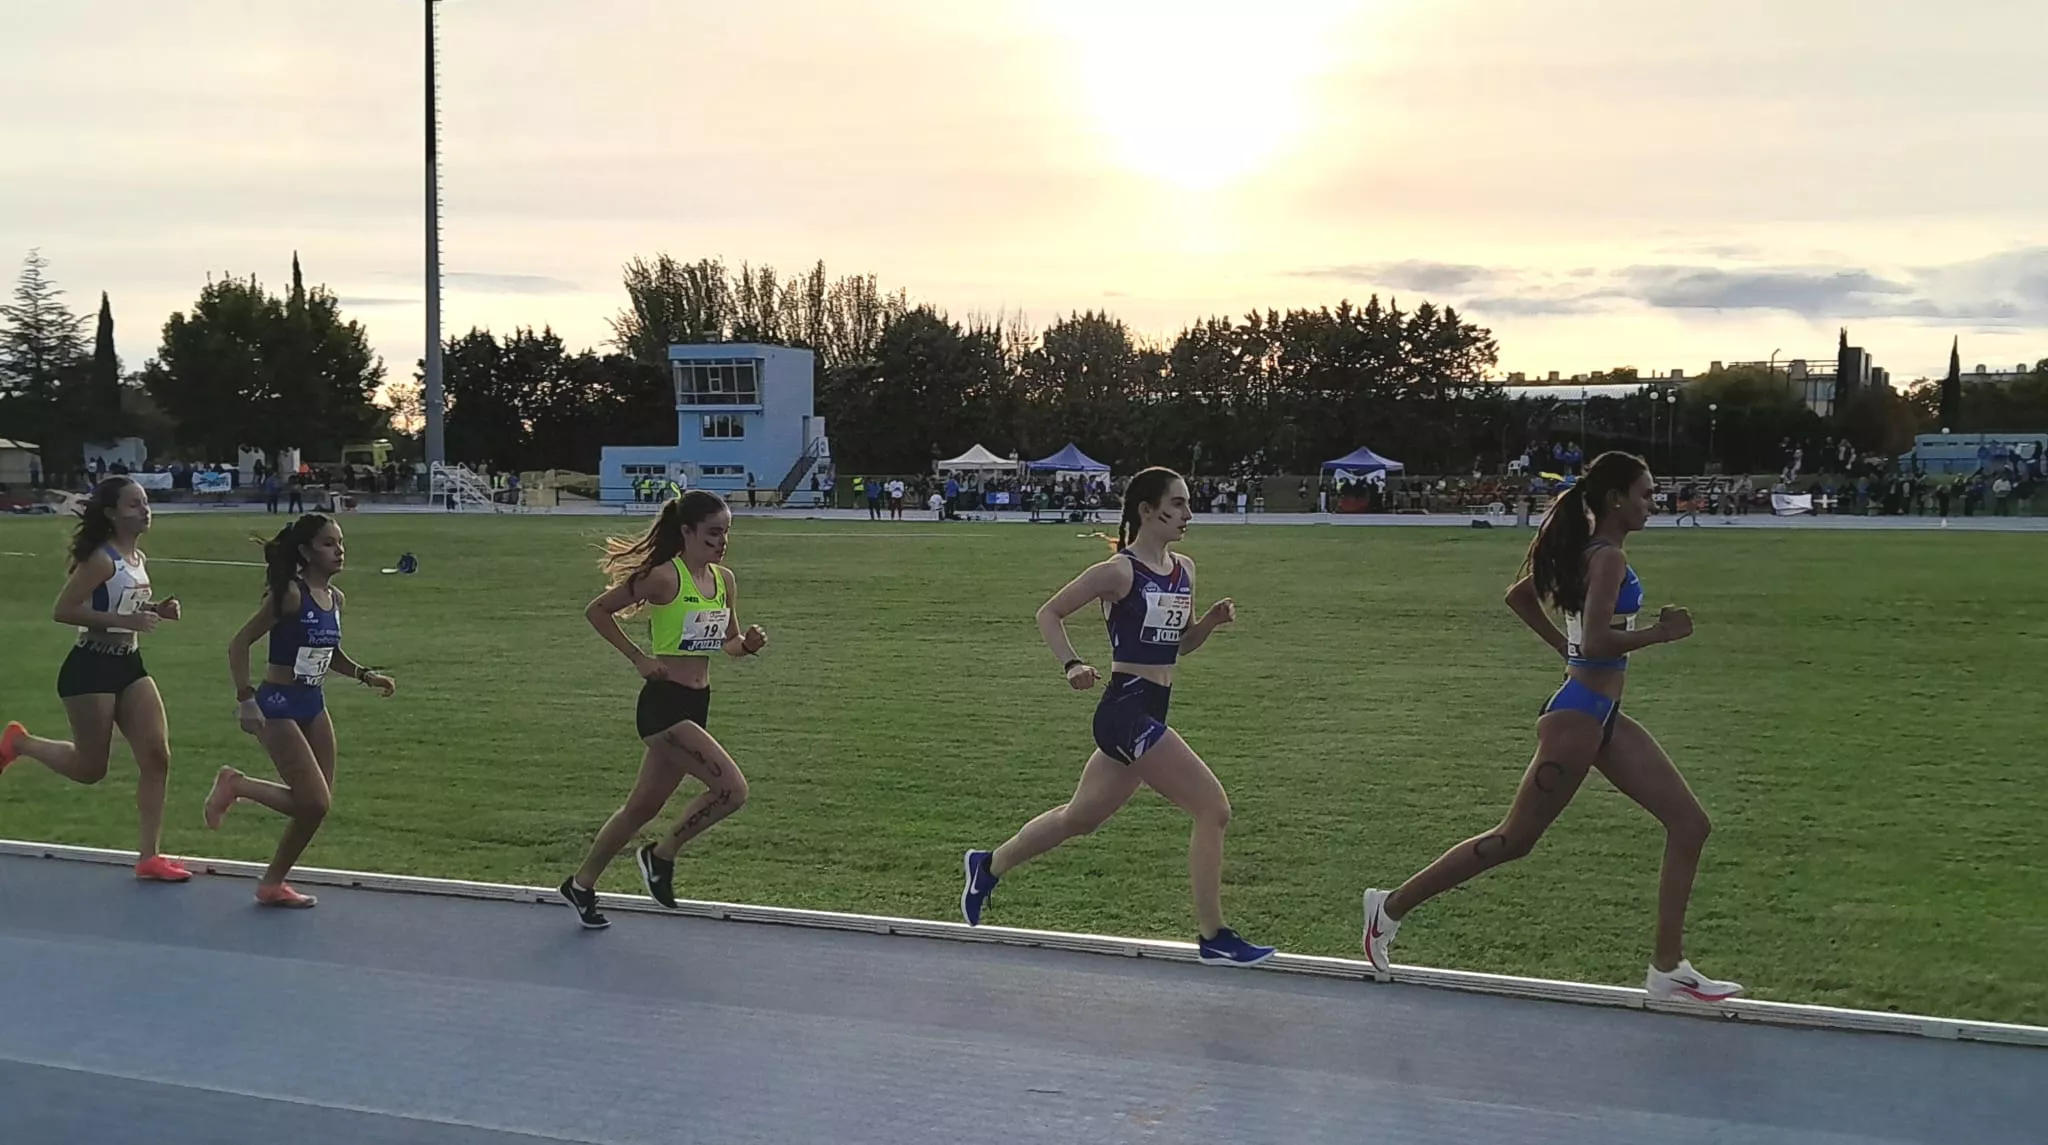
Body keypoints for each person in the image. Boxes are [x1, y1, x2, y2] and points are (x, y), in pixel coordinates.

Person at [1361, 451, 1741, 1002]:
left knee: (1690, 824)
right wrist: (1661, 633)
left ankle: (1668, 967)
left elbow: (1523, 599)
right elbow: (1596, 642)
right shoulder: (1605, 557)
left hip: (1600, 715)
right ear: (1616, 499)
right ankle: (1388, 908)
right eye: (1646, 494)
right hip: (1577, 718)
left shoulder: (1589, 551)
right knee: (1514, 840)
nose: (1653, 504)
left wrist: (1571, 648)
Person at [960, 466, 1274, 966]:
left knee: (1078, 818)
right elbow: (1049, 612)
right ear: (1147, 511)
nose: (1188, 514)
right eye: (1178, 504)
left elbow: (1179, 645)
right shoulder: (1119, 572)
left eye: (1188, 504)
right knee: (1213, 809)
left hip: (1151, 709)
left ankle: (988, 865)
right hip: (1124, 711)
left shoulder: (1185, 569)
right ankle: (1214, 935)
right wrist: (1072, 664)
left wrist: (1210, 623)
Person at [559, 491, 767, 929]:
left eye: (726, 533)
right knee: (733, 790)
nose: (721, 542)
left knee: (641, 809)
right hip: (664, 706)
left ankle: (580, 884)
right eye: (713, 533)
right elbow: (598, 611)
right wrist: (638, 657)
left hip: (698, 702)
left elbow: (727, 643)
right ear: (686, 532)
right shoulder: (663, 578)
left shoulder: (724, 580)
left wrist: (746, 645)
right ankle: (660, 855)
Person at [0, 476, 192, 883]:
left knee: (158, 756)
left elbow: (125, 604)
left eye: (146, 502)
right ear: (111, 513)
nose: (145, 510)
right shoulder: (102, 559)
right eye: (134, 504)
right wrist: (127, 620)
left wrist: (159, 609)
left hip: (130, 665)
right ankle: (19, 742)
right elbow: (64, 610)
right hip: (90, 668)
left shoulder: (136, 558)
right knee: (91, 770)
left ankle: (149, 857)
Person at [211, 514, 395, 908]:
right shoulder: (289, 594)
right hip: (278, 704)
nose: (339, 550)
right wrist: (245, 699)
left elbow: (329, 653)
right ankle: (236, 785)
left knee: (315, 806)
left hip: (313, 703)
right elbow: (239, 644)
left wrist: (365, 675)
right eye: (328, 543)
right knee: (314, 802)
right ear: (306, 551)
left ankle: (272, 884)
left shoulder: (335, 598)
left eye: (340, 542)